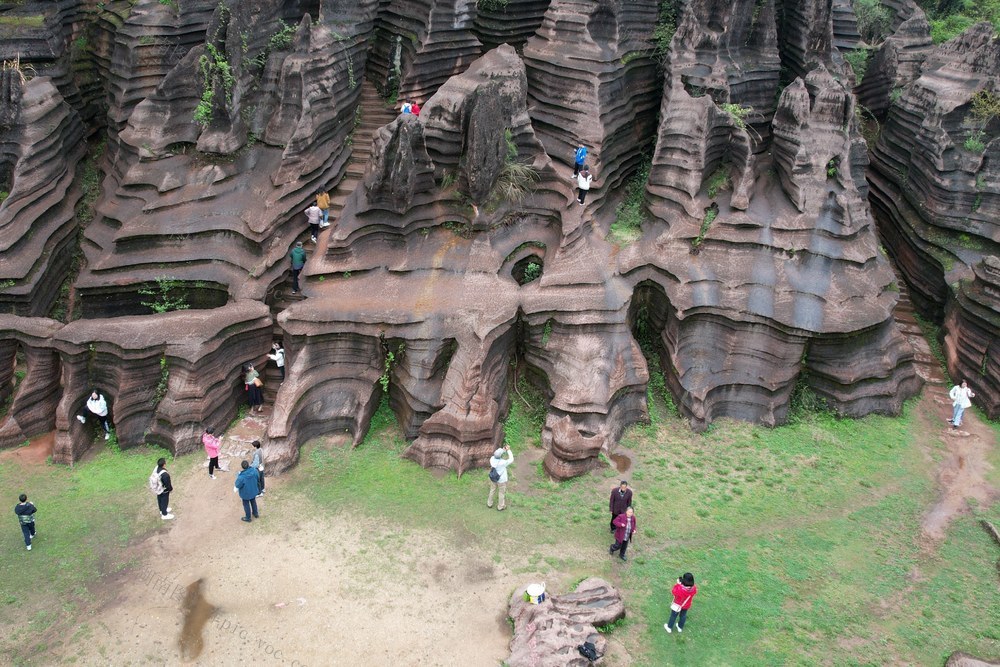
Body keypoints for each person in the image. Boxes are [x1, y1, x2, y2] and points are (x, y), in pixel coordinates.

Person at [487, 445, 514, 511]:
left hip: (493, 478)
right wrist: (508, 450)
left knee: (492, 490)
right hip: (501, 480)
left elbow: (498, 454)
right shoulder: (503, 462)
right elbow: (511, 459)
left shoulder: (492, 459)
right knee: (501, 493)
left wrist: (504, 449)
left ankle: (489, 503)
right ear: (500, 456)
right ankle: (500, 506)